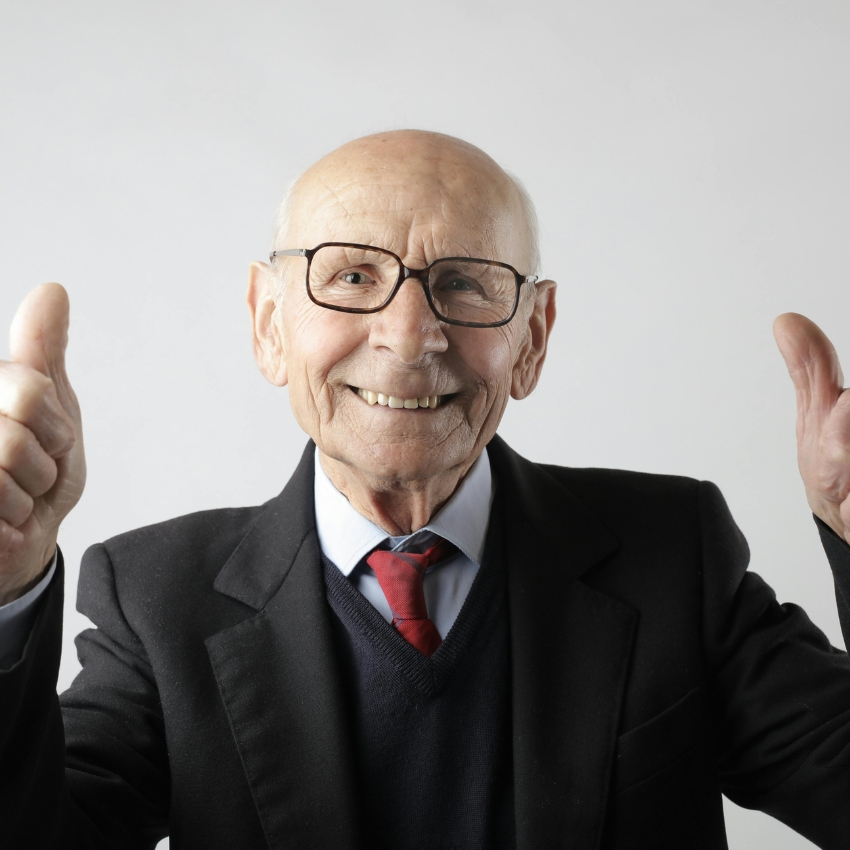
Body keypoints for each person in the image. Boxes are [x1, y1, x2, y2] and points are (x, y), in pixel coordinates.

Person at [1, 129, 849, 850]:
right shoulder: (160, 598)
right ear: (268, 325)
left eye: (465, 282)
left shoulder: (673, 555)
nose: (411, 337)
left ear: (532, 339)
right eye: (353, 277)